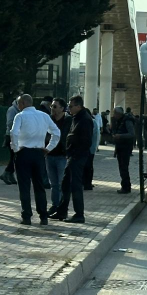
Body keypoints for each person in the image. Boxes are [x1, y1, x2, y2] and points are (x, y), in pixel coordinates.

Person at [11, 94, 60, 225]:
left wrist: (15, 148)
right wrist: (48, 148)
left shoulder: (20, 116)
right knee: (39, 186)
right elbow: (56, 133)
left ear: (22, 104)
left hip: (23, 152)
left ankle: (26, 216)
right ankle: (43, 216)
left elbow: (14, 133)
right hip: (39, 153)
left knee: (24, 186)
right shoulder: (44, 116)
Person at [50, 95, 93, 224]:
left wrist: (74, 153)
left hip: (77, 157)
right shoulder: (76, 118)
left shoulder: (85, 119)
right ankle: (62, 211)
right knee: (65, 184)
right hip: (72, 156)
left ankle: (79, 214)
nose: (69, 108)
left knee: (75, 186)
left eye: (71, 105)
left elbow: (86, 141)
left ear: (79, 106)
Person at [46, 98, 71, 215]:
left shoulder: (68, 120)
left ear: (62, 108)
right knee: (53, 184)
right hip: (50, 154)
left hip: (62, 155)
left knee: (62, 183)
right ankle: (55, 205)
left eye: (55, 106)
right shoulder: (49, 120)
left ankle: (62, 208)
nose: (52, 109)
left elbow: (66, 136)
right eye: (51, 106)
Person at [112, 106, 136, 194]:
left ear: (118, 114)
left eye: (115, 113)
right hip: (121, 147)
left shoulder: (127, 120)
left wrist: (120, 136)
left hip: (125, 148)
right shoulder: (120, 120)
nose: (114, 115)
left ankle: (126, 187)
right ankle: (125, 185)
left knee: (124, 167)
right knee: (122, 167)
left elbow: (131, 134)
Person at [0, 98, 20, 185]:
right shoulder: (12, 110)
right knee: (15, 157)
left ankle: (10, 175)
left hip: (18, 136)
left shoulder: (19, 110)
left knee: (14, 157)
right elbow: (9, 122)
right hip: (11, 135)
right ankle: (6, 173)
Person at [82, 108, 102, 190]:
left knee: (87, 166)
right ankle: (87, 182)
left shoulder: (90, 122)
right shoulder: (92, 121)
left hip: (89, 148)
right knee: (88, 166)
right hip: (91, 148)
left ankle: (87, 183)